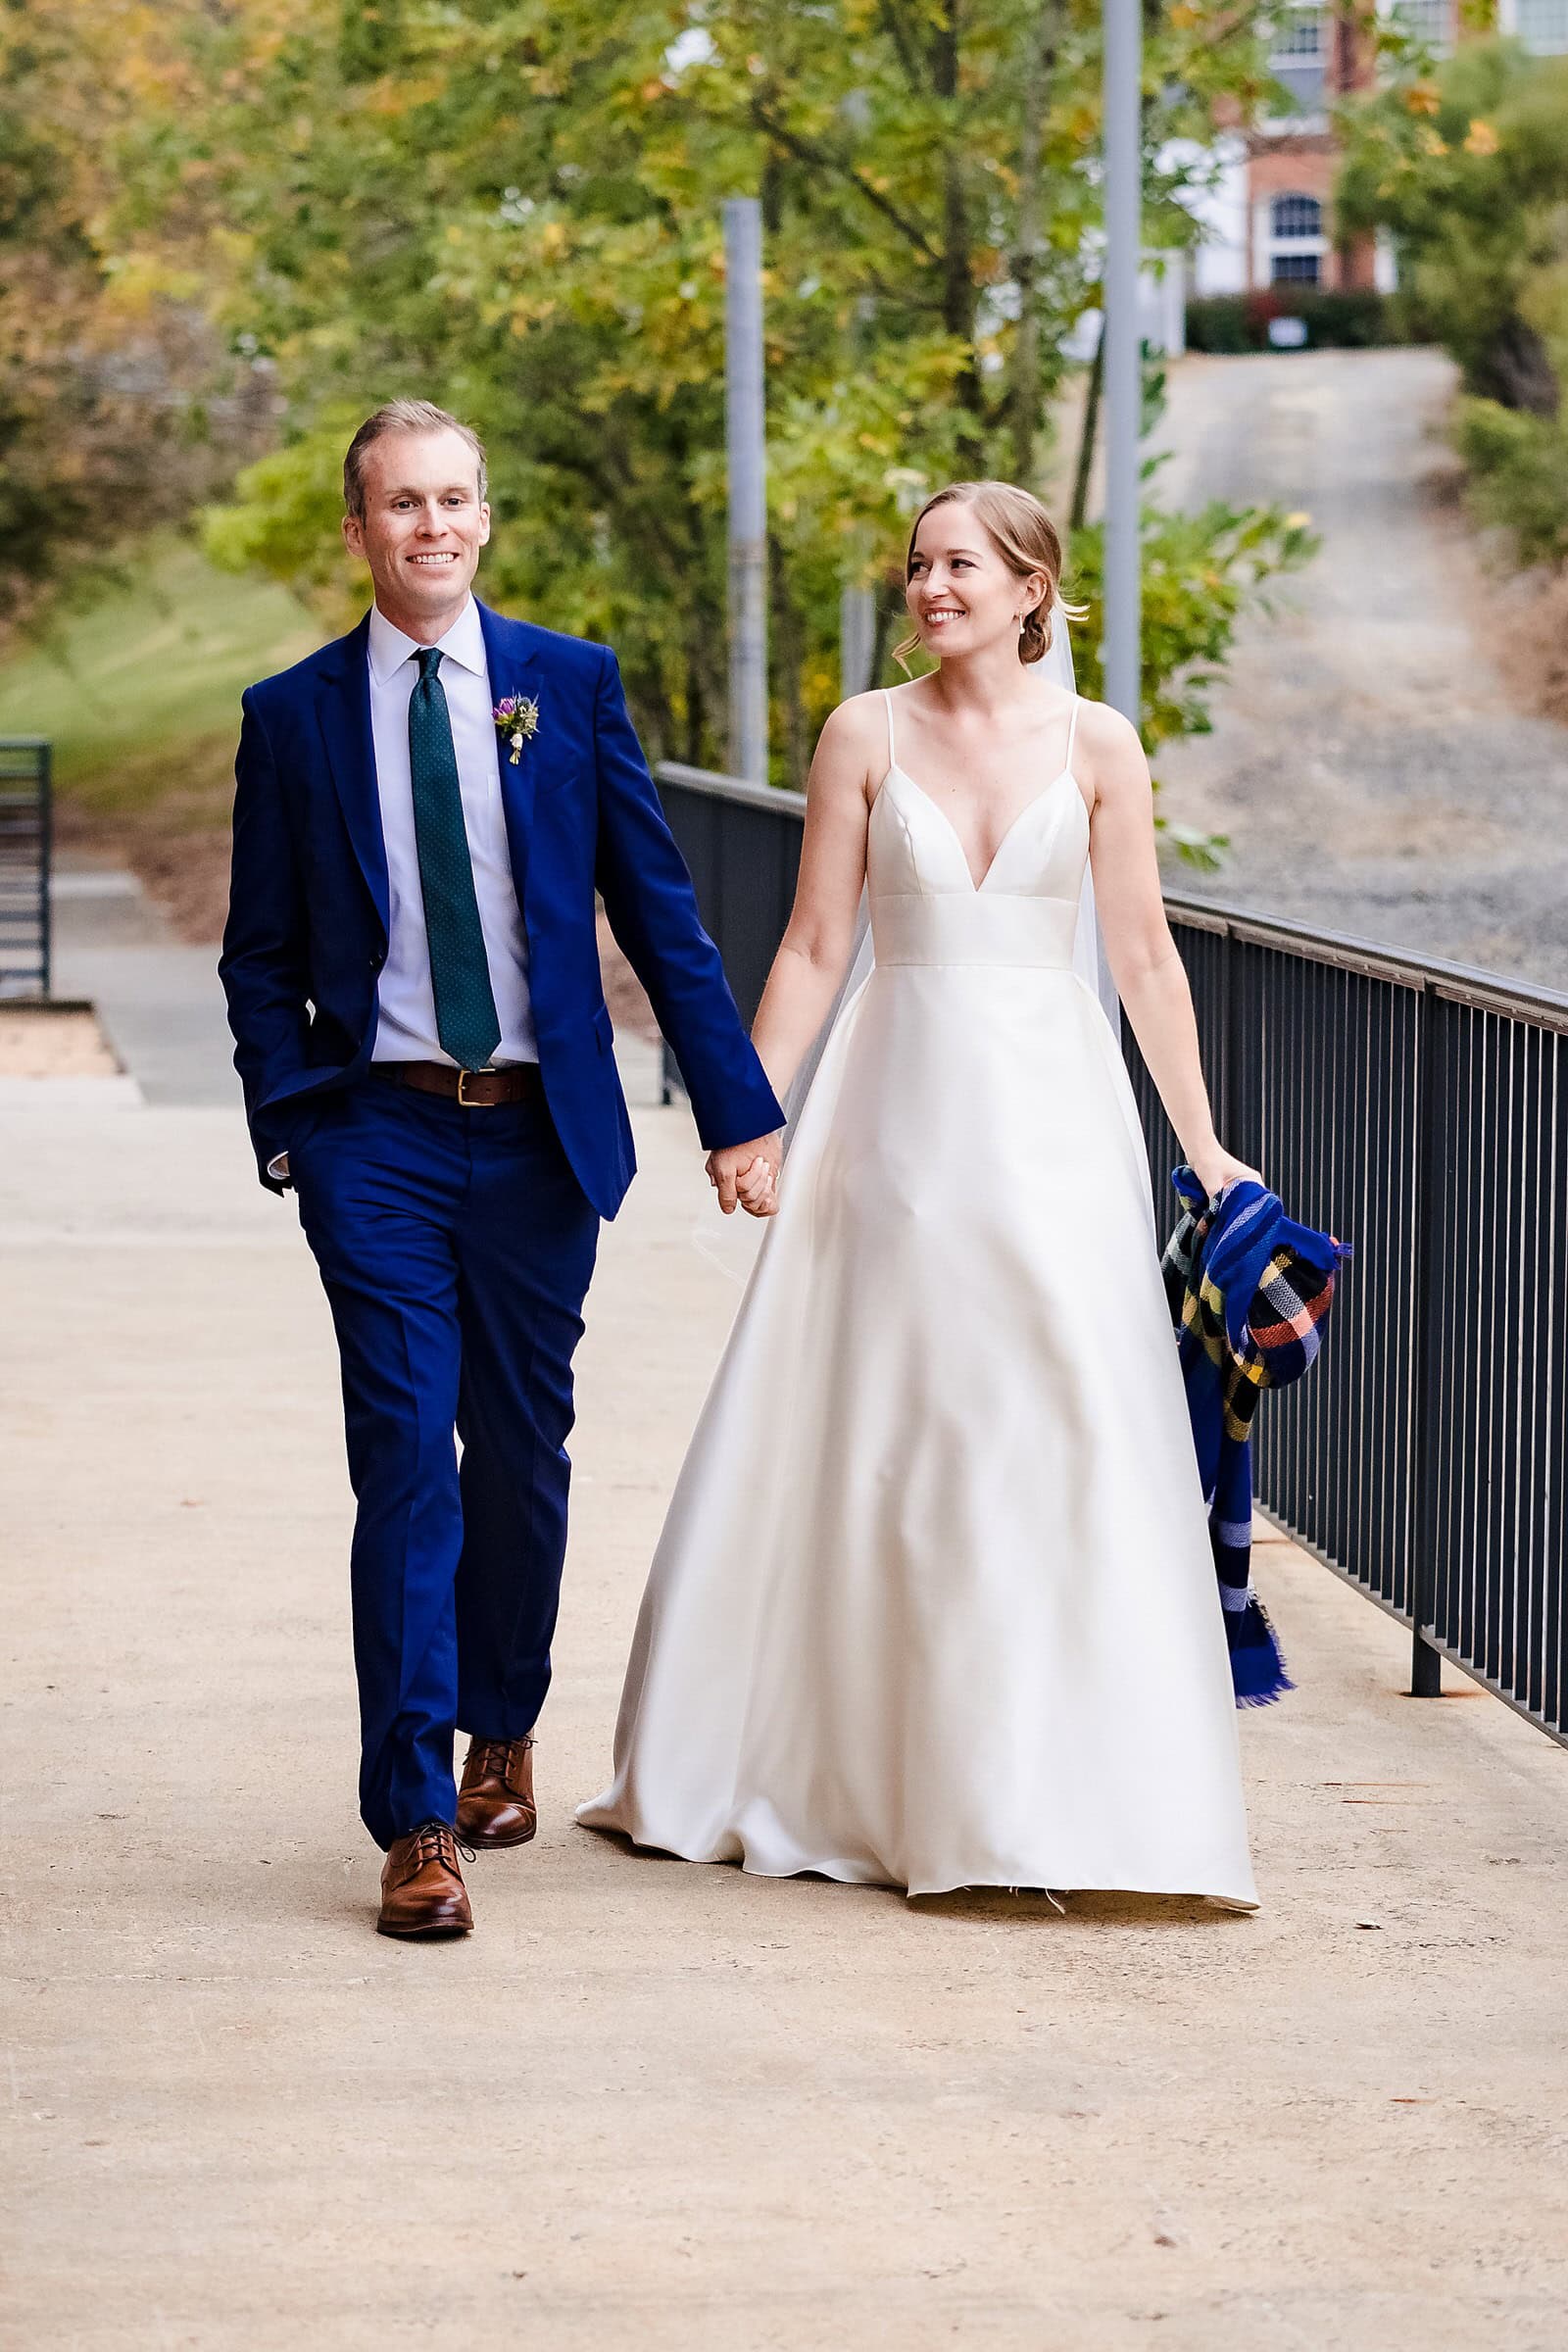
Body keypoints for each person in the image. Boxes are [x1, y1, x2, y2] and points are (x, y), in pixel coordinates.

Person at [580, 479, 1262, 1909]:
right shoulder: (863, 732)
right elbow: (819, 942)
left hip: (1059, 1131)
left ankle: (1061, 1792)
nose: (930, 586)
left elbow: (1143, 957)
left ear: (1032, 590)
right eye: (918, 565)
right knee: (900, 1423)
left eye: (961, 565)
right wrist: (747, 1116)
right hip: (897, 1120)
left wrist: (1204, 1148)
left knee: (1064, 1417)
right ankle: (876, 1779)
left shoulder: (1099, 745)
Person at [220, 399, 783, 1938]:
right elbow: (258, 955)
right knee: (406, 1457)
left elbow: (662, 916)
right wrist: (295, 1125)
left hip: (541, 1135)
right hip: (378, 1133)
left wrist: (740, 1111)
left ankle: (502, 1726)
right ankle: (412, 1819)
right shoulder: (295, 716)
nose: (433, 527)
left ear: (486, 516)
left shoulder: (564, 687)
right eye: (402, 504)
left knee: (521, 1453)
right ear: (359, 530)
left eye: (455, 499)